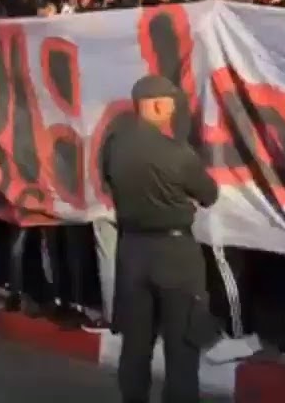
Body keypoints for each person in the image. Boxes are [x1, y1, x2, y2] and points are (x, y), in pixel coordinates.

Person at [103, 75, 220, 403]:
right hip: (175, 255)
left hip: (132, 251)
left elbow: (107, 181)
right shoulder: (177, 153)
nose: (174, 109)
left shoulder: (114, 145)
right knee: (183, 345)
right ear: (155, 104)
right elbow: (208, 194)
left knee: (135, 345)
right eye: (170, 103)